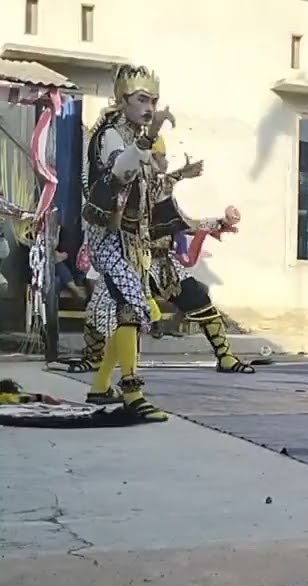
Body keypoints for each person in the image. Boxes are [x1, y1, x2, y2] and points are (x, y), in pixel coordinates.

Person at [59, 133, 247, 384]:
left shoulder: (158, 190)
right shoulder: (124, 186)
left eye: (163, 157)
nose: (164, 162)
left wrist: (220, 222)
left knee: (201, 302)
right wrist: (181, 175)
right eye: (159, 157)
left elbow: (184, 221)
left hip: (163, 264)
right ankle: (96, 358)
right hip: (128, 261)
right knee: (99, 310)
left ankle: (225, 356)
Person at [78, 64, 176, 421]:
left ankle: (100, 385)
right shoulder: (109, 135)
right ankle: (132, 392)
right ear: (122, 100)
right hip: (107, 236)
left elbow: (151, 188)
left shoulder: (135, 137)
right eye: (142, 100)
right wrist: (150, 138)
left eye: (153, 101)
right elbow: (119, 172)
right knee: (133, 305)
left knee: (127, 311)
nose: (149, 108)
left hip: (132, 238)